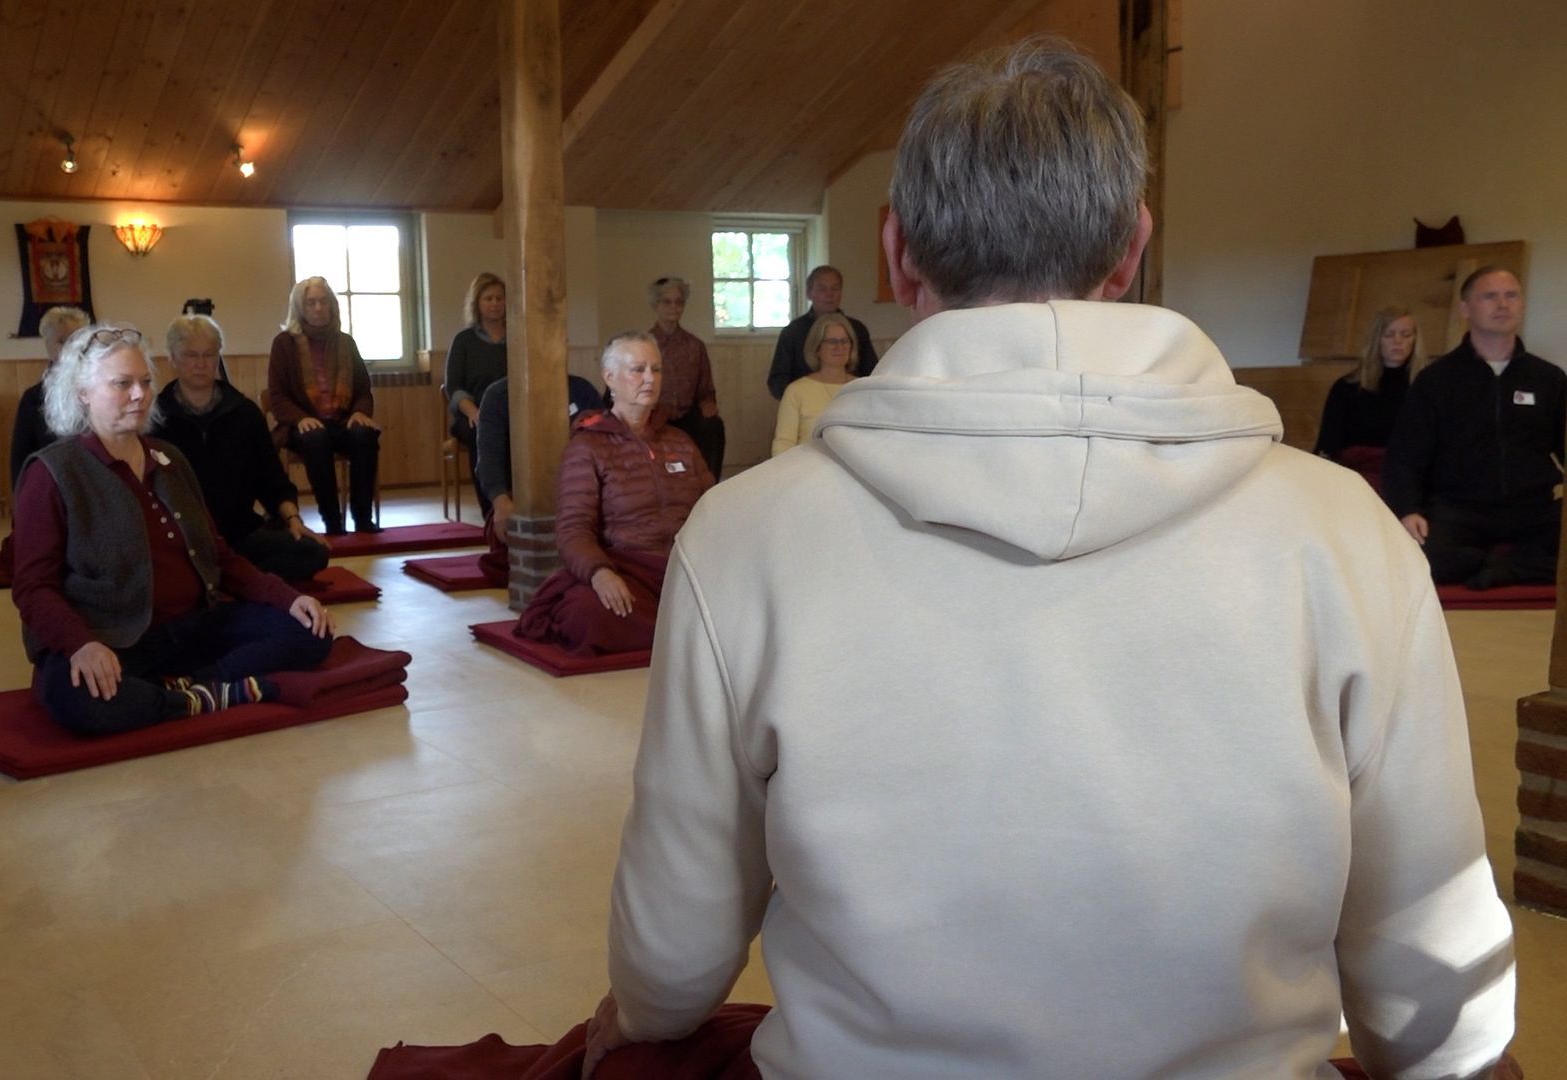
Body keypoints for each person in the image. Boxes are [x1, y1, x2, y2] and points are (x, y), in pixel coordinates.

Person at [581, 39, 1514, 1080]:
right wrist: (1456, 1051)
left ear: (897, 251)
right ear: (1132, 248)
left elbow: (680, 924)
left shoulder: (745, 533)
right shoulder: (1344, 530)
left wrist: (645, 1008)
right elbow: (1429, 943)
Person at [12, 323, 334, 736]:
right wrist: (80, 645)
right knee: (75, 696)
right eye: (122, 384)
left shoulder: (169, 459)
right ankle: (200, 695)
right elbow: (33, 588)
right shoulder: (52, 472)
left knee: (310, 631)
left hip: (193, 627)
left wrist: (288, 598)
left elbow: (218, 555)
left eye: (145, 382)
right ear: (82, 392)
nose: (139, 394)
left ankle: (194, 687)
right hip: (114, 638)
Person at [517, 333, 712, 655]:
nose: (649, 378)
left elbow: (714, 509)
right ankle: (688, 630)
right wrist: (600, 573)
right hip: (630, 570)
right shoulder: (587, 446)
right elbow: (573, 528)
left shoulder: (680, 441)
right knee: (587, 613)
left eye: (656, 369)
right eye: (638, 369)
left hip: (686, 568)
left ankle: (684, 627)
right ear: (610, 378)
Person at [1386, 266, 1565, 588]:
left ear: (1522, 304)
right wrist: (1408, 510)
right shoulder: (1436, 380)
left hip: (1533, 508)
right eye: (1489, 296)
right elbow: (1406, 456)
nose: (1503, 304)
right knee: (1416, 557)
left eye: (1511, 295)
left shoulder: (1549, 378)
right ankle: (1513, 565)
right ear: (1466, 309)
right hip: (1459, 510)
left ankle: (1502, 569)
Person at [150, 314, 330, 584]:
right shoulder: (154, 419)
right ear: (173, 359)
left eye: (209, 355)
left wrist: (293, 519)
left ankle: (218, 579)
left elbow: (272, 479)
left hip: (239, 535)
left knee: (312, 553)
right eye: (190, 355)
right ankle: (233, 579)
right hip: (182, 540)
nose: (200, 363)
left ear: (218, 358)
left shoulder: (245, 413)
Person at [0, 305, 91, 586]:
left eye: (77, 340)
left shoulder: (101, 389)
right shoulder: (34, 398)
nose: (70, 348)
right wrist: (23, 501)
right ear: (48, 346)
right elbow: (21, 457)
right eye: (61, 341)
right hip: (52, 489)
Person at [267, 276, 382, 535]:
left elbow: (363, 390)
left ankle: (363, 518)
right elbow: (277, 396)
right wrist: (300, 418)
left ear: (331, 305)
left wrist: (359, 412)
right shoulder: (284, 343)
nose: (318, 308)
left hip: (341, 421)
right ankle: (332, 520)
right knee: (316, 438)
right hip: (302, 425)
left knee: (365, 434)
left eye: (323, 301)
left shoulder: (346, 342)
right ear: (300, 308)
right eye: (311, 303)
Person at [474, 373, 605, 585]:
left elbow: (604, 446)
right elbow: (488, 459)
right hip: (518, 498)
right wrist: (500, 502)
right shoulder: (498, 395)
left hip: (580, 494)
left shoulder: (581, 390)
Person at [1314, 306, 1422, 490]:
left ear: (1415, 340)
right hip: (1356, 479)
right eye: (1389, 335)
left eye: (1406, 335)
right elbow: (1328, 444)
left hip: (1410, 478)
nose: (1398, 341)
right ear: (1377, 339)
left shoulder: (1426, 388)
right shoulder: (1347, 387)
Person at [442, 272, 510, 517]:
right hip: (473, 414)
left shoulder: (518, 337)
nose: (494, 303)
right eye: (488, 298)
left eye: (499, 298)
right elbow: (453, 386)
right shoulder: (464, 340)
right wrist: (473, 411)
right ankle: (491, 510)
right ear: (477, 303)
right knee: (480, 434)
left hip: (511, 413)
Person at [647, 276, 724, 479]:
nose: (674, 307)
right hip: (654, 416)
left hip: (688, 416)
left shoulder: (695, 346)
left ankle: (709, 485)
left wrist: (708, 403)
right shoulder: (645, 345)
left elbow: (706, 390)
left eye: (679, 302)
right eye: (667, 302)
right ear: (655, 305)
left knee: (713, 425)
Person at [765, 265, 877, 399]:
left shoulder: (857, 329)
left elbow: (872, 374)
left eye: (835, 288)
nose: (829, 294)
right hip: (805, 400)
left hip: (850, 399)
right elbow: (778, 381)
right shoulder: (793, 331)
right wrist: (800, 398)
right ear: (809, 293)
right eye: (822, 289)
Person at [770, 312, 857, 456]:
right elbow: (783, 443)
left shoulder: (861, 388)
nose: (839, 347)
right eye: (832, 341)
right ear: (817, 348)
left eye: (845, 341)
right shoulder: (796, 391)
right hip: (807, 466)